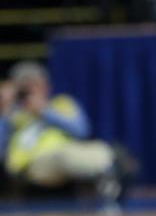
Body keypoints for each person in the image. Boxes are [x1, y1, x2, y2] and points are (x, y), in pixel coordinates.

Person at [0, 62, 133, 200]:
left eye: (36, 85)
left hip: (69, 155)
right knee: (65, 156)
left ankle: (111, 171)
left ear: (46, 86)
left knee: (98, 147)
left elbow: (82, 131)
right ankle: (110, 168)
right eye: (25, 88)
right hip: (31, 165)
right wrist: (4, 111)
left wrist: (44, 111)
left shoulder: (62, 104)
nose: (32, 91)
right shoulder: (13, 115)